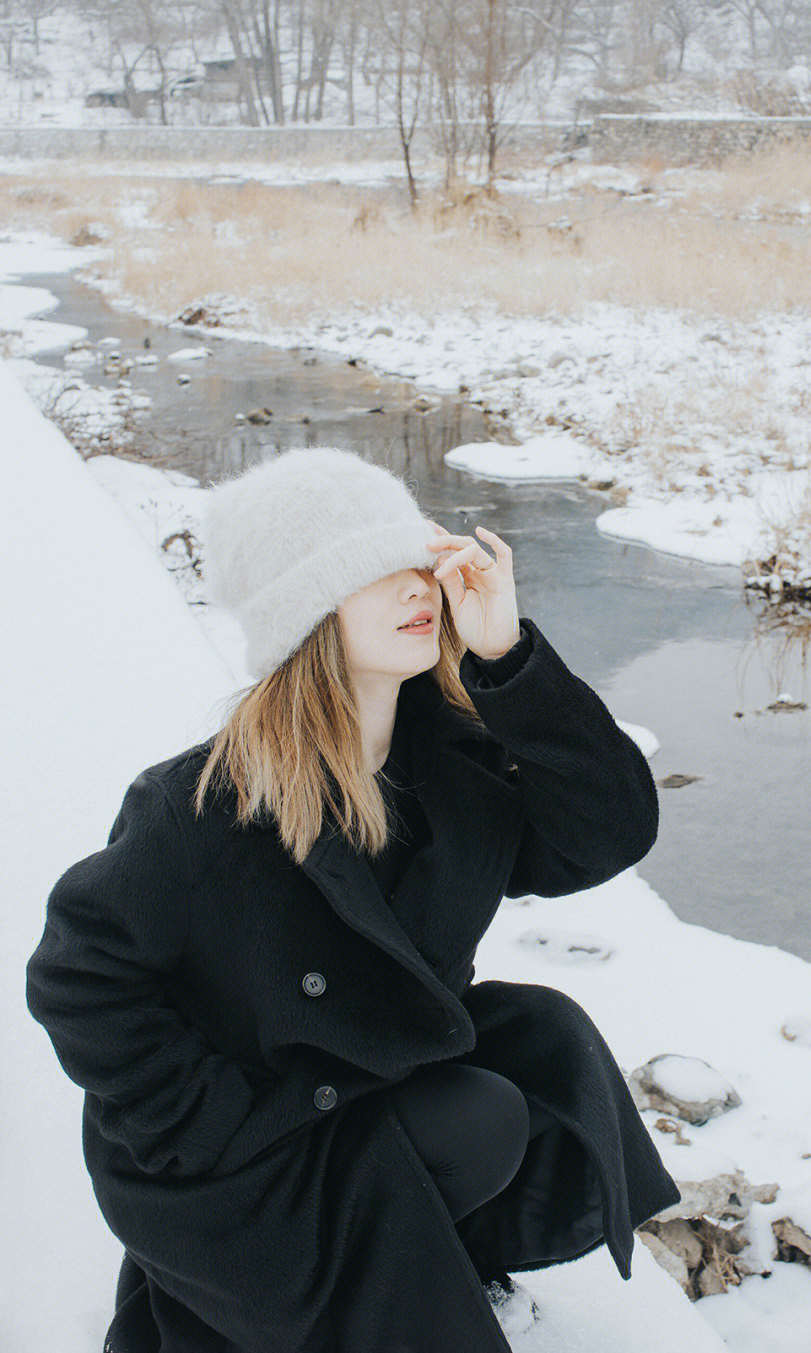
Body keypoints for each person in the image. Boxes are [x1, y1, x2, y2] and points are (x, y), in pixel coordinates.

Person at [25, 446, 682, 1353]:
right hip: (255, 1142)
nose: (416, 586)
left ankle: (416, 1249)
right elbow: (78, 977)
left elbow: (606, 831)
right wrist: (213, 1121)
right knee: (475, 1117)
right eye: (370, 572)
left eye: (416, 558)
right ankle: (296, 1276)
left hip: (370, 1085)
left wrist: (507, 657)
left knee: (537, 1061)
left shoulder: (453, 768)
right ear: (307, 614)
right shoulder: (206, 802)